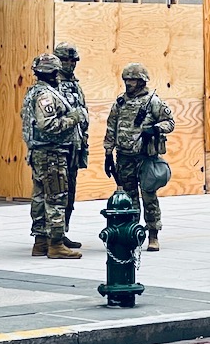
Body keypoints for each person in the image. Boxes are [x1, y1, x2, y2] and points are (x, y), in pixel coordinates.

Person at [104, 62, 175, 251]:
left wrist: (155, 129)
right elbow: (111, 127)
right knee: (128, 198)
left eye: (133, 80)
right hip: (125, 157)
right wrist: (108, 153)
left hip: (145, 158)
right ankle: (132, 234)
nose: (129, 83)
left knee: (149, 197)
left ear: (142, 81)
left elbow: (170, 122)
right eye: (126, 80)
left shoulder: (153, 101)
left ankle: (153, 234)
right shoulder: (120, 102)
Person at [20, 53, 84, 259]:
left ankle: (40, 242)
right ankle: (56, 244)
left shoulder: (33, 92)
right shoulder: (45, 95)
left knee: (40, 196)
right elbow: (47, 125)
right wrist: (73, 118)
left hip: (39, 153)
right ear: (53, 73)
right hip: (51, 153)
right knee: (56, 197)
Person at [54, 42, 90, 237]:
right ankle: (50, 235)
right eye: (65, 60)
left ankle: (63, 231)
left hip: (75, 147)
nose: (70, 64)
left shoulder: (75, 85)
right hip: (58, 147)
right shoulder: (52, 85)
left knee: (70, 191)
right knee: (55, 192)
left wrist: (83, 140)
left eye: (73, 60)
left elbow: (83, 114)